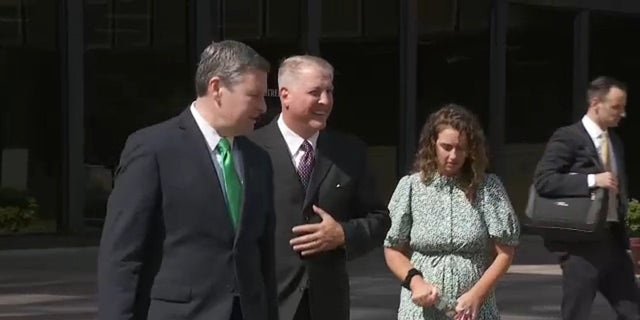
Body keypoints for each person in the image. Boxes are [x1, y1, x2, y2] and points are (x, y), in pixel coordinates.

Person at [97, 40, 278, 320]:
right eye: (253, 95)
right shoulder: (153, 149)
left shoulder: (258, 160)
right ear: (216, 88)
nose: (263, 107)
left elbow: (263, 256)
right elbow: (121, 255)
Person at [248, 55, 391, 320]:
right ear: (285, 95)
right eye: (315, 92)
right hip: (266, 304)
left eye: (329, 92)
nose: (325, 101)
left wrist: (343, 234)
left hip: (327, 306)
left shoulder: (350, 152)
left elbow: (379, 220)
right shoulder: (249, 150)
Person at [384, 105, 520, 320]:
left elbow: (505, 253)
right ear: (432, 145)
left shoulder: (487, 187)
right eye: (446, 147)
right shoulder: (410, 187)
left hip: (474, 309)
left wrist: (477, 294)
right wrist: (416, 283)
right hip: (421, 310)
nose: (454, 155)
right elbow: (392, 249)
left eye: (462, 148)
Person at [534, 76, 639, 320]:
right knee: (576, 314)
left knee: (633, 311)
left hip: (612, 242)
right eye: (616, 107)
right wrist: (592, 180)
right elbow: (544, 180)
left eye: (623, 107)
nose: (622, 114)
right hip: (581, 246)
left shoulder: (615, 142)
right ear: (595, 103)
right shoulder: (568, 137)